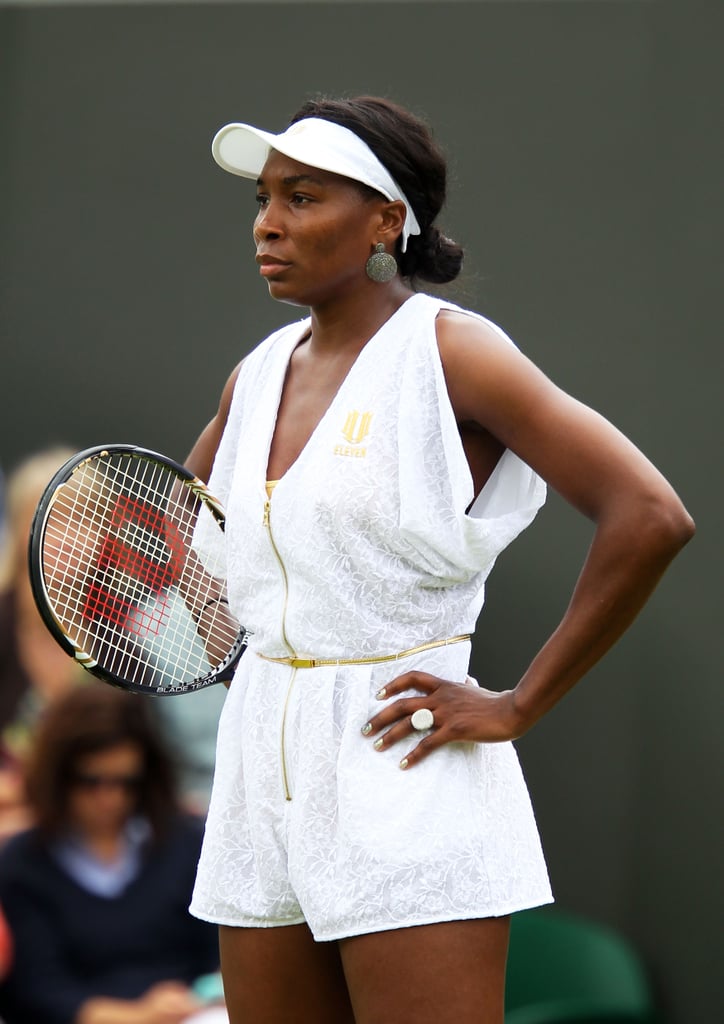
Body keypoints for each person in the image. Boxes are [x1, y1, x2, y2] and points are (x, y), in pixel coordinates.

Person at [183, 96, 695, 1024]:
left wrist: (519, 702)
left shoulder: (453, 352)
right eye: (262, 198)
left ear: (387, 220)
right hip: (259, 775)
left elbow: (650, 513)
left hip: (402, 763)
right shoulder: (254, 374)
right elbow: (185, 544)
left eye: (302, 197)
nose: (267, 222)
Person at [0, 685, 223, 1024]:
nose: (110, 799)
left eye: (126, 782)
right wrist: (137, 1016)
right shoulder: (22, 863)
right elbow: (38, 991)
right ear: (57, 777)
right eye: (90, 782)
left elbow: (217, 958)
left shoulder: (186, 842)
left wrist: (197, 1000)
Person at [0, 446, 86, 841]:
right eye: (49, 515)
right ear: (17, 528)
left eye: (80, 518)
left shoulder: (124, 647)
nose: (65, 538)